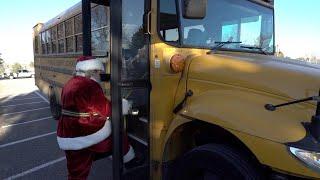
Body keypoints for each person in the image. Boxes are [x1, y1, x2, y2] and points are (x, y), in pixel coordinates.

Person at [56, 56, 135, 180]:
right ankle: (131, 162)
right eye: (99, 72)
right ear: (92, 71)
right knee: (118, 135)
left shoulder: (71, 83)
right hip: (85, 132)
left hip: (66, 130)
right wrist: (123, 105)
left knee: (76, 171)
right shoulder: (90, 85)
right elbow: (104, 109)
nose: (100, 75)